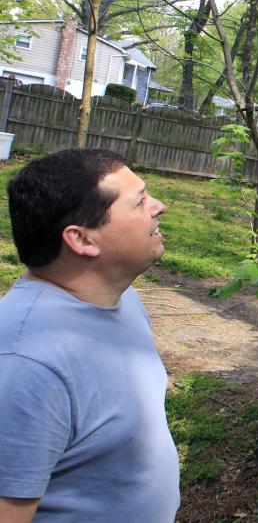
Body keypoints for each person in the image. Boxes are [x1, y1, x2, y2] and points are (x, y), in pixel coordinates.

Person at [0, 149, 180, 522]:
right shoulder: (27, 366)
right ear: (82, 240)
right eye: (140, 202)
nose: (159, 206)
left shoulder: (119, 296)